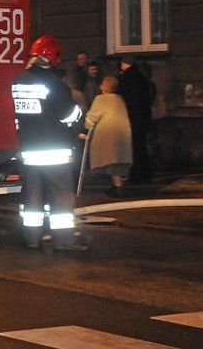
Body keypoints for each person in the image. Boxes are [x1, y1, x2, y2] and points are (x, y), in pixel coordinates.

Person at [11, 35, 86, 250]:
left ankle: (32, 237)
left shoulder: (19, 80)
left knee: (33, 194)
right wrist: (79, 114)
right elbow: (68, 115)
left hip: (29, 148)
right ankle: (64, 240)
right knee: (61, 196)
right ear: (52, 57)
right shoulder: (54, 83)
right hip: (54, 149)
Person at [81, 76, 133, 197]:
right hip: (122, 133)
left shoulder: (101, 99)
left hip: (108, 133)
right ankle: (116, 186)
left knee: (111, 160)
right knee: (116, 161)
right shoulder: (120, 99)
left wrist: (86, 126)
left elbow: (92, 116)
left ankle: (118, 188)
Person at [117, 55, 154, 184]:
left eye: (122, 63)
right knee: (141, 146)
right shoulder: (142, 78)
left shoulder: (126, 78)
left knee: (134, 148)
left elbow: (123, 97)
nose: (120, 66)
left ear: (126, 64)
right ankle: (146, 173)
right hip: (143, 117)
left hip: (132, 117)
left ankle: (136, 175)